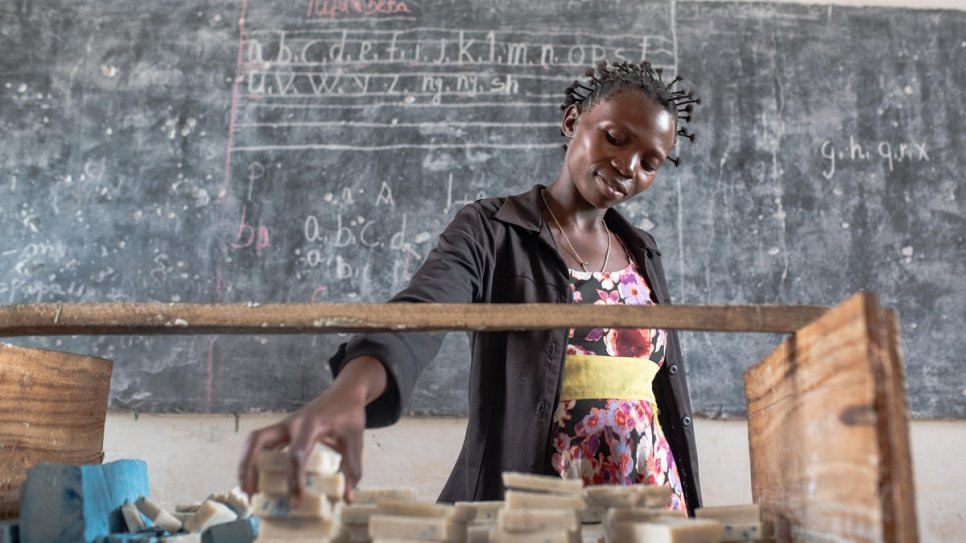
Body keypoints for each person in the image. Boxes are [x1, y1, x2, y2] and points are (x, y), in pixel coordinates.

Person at [238, 60, 703, 515]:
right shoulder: (492, 229)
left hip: (650, 502)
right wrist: (349, 394)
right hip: (537, 503)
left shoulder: (643, 251)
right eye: (615, 138)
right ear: (572, 120)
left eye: (650, 162)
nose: (626, 165)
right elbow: (419, 313)